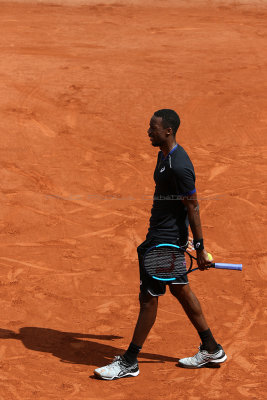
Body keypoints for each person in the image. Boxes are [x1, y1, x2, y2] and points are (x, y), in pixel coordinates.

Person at [94, 109, 227, 380]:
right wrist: (184, 235)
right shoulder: (164, 156)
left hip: (163, 243)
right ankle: (212, 349)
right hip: (166, 236)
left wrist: (199, 246)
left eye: (153, 128)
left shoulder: (180, 165)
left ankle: (130, 361)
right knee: (181, 291)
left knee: (148, 299)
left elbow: (193, 205)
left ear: (168, 131)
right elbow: (180, 204)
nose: (148, 132)